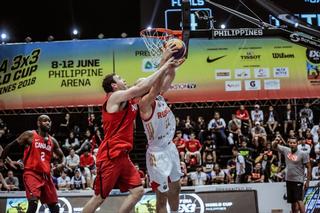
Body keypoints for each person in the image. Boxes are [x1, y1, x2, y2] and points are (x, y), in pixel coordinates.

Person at [82, 51, 176, 213]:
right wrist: (164, 65)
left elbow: (155, 86)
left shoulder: (131, 101)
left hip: (123, 156)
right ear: (114, 85)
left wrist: (169, 65)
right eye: (119, 78)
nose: (123, 79)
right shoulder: (114, 97)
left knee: (138, 191)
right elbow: (144, 86)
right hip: (110, 156)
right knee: (99, 197)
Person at [138, 44, 184, 213]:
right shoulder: (144, 104)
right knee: (161, 196)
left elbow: (169, 77)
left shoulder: (158, 96)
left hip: (169, 147)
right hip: (157, 155)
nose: (148, 84)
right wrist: (164, 59)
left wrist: (172, 66)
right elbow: (156, 85)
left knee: (176, 188)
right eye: (143, 83)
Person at [0, 115, 65, 213]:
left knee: (54, 206)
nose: (48, 123)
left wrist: (62, 164)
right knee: (33, 202)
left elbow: (62, 156)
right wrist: (2, 160)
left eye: (49, 121)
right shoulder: (30, 135)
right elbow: (10, 146)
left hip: (46, 176)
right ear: (38, 123)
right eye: (45, 121)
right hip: (32, 174)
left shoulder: (53, 141)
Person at [272, 137, 311, 213]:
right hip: (288, 179)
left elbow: (309, 167)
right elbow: (273, 146)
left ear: (297, 143)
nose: (292, 144)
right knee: (292, 202)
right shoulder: (286, 150)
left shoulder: (303, 154)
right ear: (288, 143)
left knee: (299, 200)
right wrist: (276, 141)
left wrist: (308, 181)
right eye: (291, 143)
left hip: (298, 180)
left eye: (294, 143)